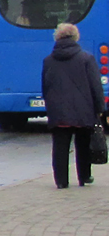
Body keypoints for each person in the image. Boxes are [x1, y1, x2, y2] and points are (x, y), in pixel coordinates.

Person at [41, 22, 104, 189]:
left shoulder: (48, 61)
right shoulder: (86, 59)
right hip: (83, 110)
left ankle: (61, 181)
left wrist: (50, 107)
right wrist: (100, 109)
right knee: (83, 144)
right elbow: (95, 86)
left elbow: (45, 87)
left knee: (60, 145)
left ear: (57, 37)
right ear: (76, 37)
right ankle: (84, 177)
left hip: (58, 111)